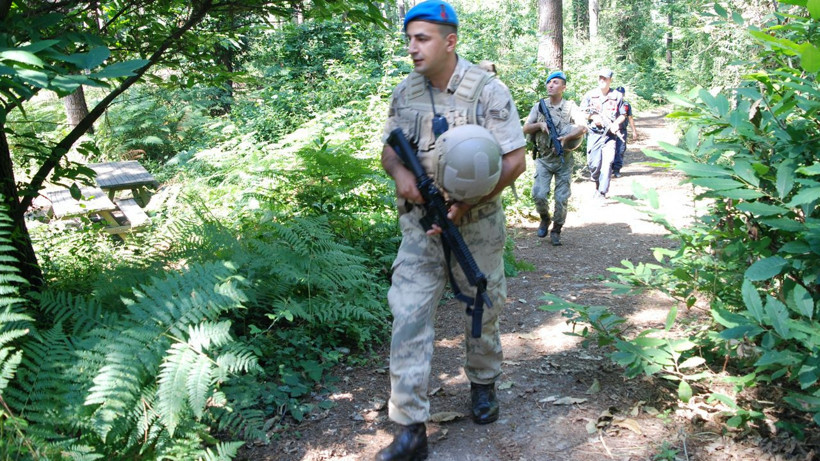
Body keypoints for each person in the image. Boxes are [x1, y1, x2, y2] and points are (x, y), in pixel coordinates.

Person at [376, 1, 527, 459]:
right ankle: (410, 430)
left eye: (422, 39)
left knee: (482, 305)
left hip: (476, 226)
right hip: (419, 226)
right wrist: (401, 176)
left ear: (450, 41)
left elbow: (515, 160)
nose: (412, 48)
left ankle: (483, 383)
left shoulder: (487, 91)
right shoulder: (405, 93)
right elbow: (389, 151)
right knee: (408, 313)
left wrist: (467, 204)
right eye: (409, 39)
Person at [522, 71, 586, 246]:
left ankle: (557, 229)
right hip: (544, 159)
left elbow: (582, 127)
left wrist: (566, 138)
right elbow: (525, 128)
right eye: (549, 82)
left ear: (563, 87)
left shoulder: (570, 107)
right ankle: (545, 218)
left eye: (556, 82)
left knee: (561, 198)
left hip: (563, 159)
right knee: (539, 194)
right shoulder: (539, 106)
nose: (551, 85)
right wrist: (539, 124)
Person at [580, 68, 626, 202]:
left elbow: (623, 114)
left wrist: (616, 124)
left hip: (610, 137)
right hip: (594, 134)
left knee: (608, 163)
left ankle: (602, 192)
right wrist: (593, 117)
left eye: (605, 78)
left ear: (610, 80)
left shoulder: (617, 96)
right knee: (594, 164)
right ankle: (597, 183)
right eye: (600, 78)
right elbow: (582, 112)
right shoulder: (590, 95)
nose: (602, 80)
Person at [612, 86, 639, 178]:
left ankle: (616, 169)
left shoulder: (626, 105)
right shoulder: (609, 104)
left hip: (622, 130)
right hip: (609, 131)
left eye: (621, 94)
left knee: (620, 150)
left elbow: (630, 118)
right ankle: (608, 168)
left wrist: (634, 131)